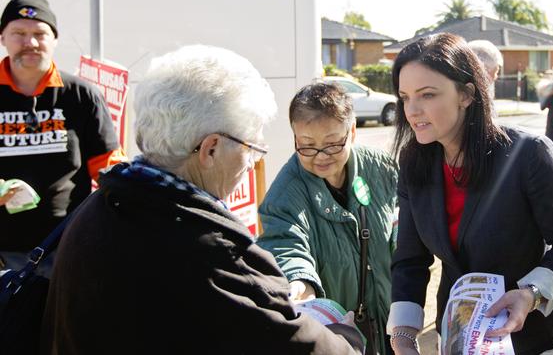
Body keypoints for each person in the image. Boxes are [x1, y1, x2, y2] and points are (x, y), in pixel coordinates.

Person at [40, 45, 364, 354]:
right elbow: (292, 344)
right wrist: (345, 336)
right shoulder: (207, 250)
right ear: (210, 149)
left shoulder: (100, 206)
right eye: (251, 149)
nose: (252, 163)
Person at [387, 34, 553, 355]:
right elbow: (410, 259)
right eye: (404, 97)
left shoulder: (529, 154)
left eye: (427, 95)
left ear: (467, 94)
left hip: (533, 337)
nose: (412, 110)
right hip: (458, 333)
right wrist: (402, 332)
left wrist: (531, 293)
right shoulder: (415, 160)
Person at [257, 82, 399, 355]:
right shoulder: (284, 196)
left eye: (333, 144)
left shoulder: (382, 168)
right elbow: (285, 244)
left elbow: (400, 224)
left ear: (352, 131)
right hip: (337, 334)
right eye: (307, 146)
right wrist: (299, 283)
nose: (320, 156)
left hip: (389, 323)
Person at [0, 0, 124, 272]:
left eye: (40, 33)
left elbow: (109, 167)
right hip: (3, 254)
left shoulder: (80, 95)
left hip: (67, 247)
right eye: (18, 32)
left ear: (54, 39)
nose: (30, 42)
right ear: (2, 38)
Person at [468, 39, 503, 118]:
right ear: (483, 70)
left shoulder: (458, 90)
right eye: (496, 71)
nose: (496, 77)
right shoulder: (479, 100)